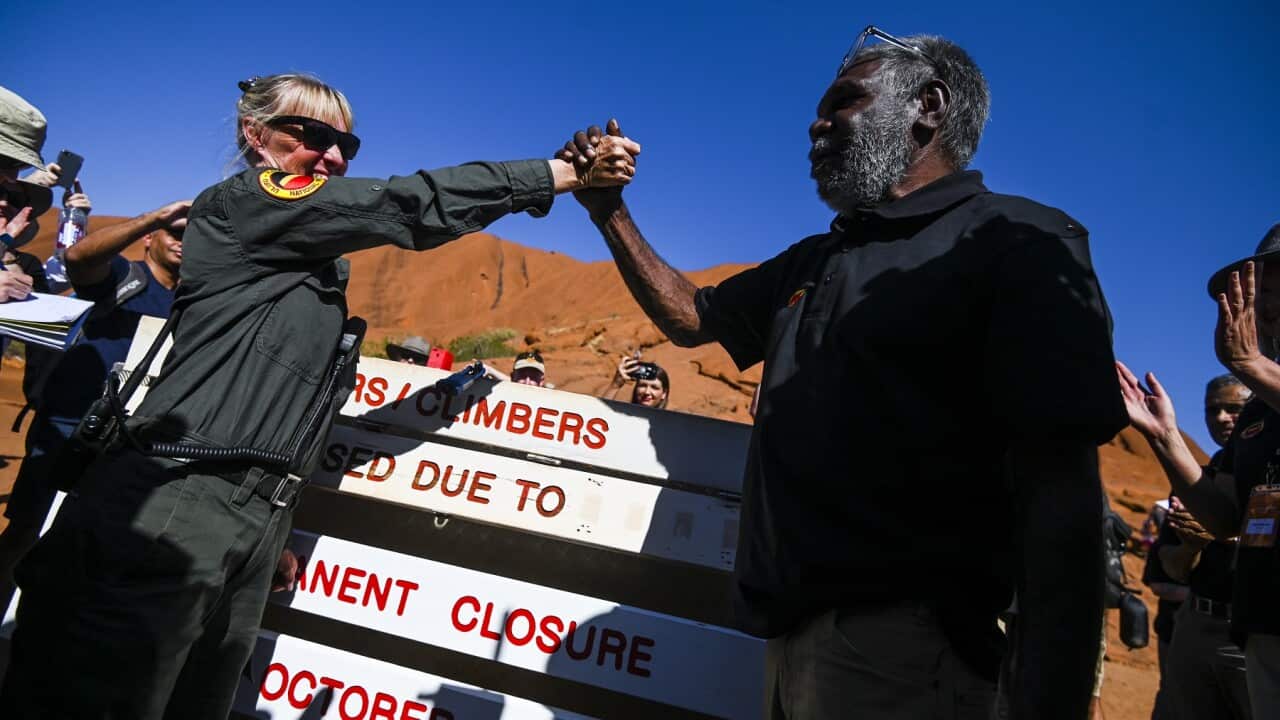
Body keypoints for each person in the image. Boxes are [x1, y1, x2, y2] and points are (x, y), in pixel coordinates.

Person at [0, 72, 638, 719]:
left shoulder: (315, 263)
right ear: (256, 136)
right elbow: (402, 205)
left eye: (348, 147)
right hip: (178, 496)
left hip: (253, 517)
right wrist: (555, 174)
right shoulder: (245, 204)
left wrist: (273, 524)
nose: (333, 156)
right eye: (313, 135)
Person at [561, 27, 1125, 719]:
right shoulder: (816, 258)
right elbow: (692, 318)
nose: (816, 121)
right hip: (785, 638)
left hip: (910, 652)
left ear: (928, 107)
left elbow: (1060, 494)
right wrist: (607, 211)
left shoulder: (1017, 240)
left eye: (844, 101)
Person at [1118, 224, 1280, 719]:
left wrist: (1251, 365)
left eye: (1273, 288)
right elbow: (1224, 516)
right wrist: (1164, 437)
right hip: (1263, 625)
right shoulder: (1258, 413)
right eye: (1259, 290)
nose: (1261, 304)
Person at [0, 199, 187, 604]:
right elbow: (78, 257)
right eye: (176, 233)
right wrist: (151, 216)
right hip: (71, 430)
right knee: (27, 536)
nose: (184, 244)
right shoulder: (123, 277)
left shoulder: (191, 304)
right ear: (149, 239)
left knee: (90, 547)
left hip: (130, 445)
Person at [1142, 374, 1252, 720]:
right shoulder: (1193, 483)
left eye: (1233, 409)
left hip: (1253, 635)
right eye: (1212, 410)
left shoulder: (1268, 473)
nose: (1221, 418)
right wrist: (1191, 547)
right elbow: (1172, 570)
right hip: (1195, 626)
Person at [605, 354, 669, 408]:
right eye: (642, 385)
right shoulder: (624, 415)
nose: (647, 392)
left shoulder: (671, 421)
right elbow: (600, 416)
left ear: (664, 394)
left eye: (654, 387)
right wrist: (615, 385)